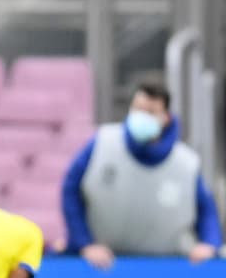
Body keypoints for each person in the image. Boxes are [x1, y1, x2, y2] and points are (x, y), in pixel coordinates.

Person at [62, 80, 221, 267]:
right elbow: (70, 189)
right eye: (138, 109)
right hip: (104, 267)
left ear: (166, 117)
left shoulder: (187, 163)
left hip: (168, 270)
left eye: (151, 112)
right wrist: (84, 243)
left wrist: (209, 244)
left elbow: (206, 210)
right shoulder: (102, 142)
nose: (142, 117)